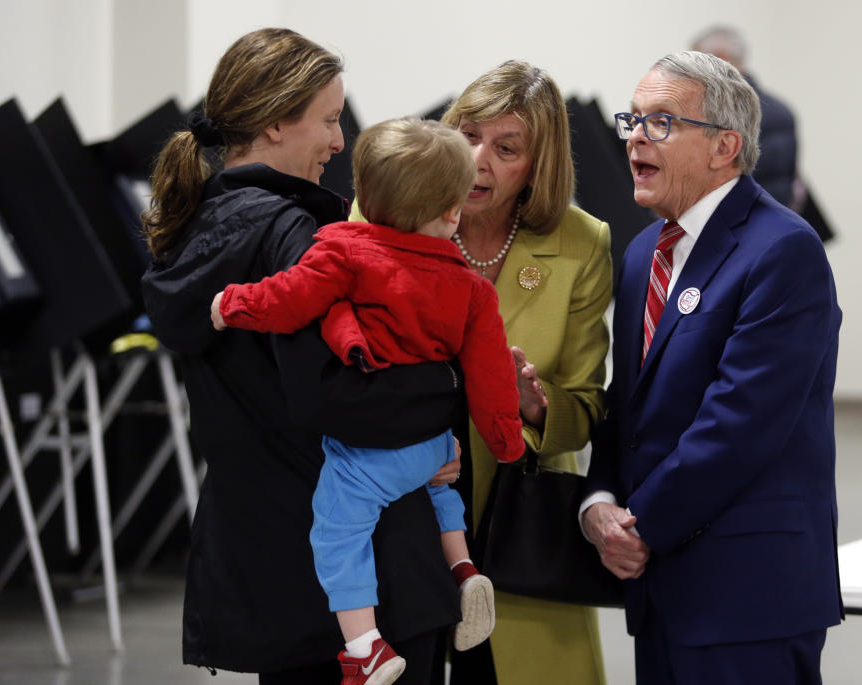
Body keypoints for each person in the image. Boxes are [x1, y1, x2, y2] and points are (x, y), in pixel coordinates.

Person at [140, 28, 468, 685]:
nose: (340, 141)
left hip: (276, 569)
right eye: (328, 120)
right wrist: (446, 406)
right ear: (274, 124)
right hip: (369, 580)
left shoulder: (195, 229)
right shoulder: (298, 236)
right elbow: (336, 392)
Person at [209, 117, 528, 682]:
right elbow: (491, 372)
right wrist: (505, 440)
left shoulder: (344, 253)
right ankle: (461, 566)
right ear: (453, 212)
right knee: (438, 488)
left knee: (337, 529)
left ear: (363, 195)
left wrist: (234, 305)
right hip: (433, 445)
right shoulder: (472, 287)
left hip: (372, 455)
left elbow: (288, 300)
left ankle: (364, 648)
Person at [583, 51, 843, 683]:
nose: (635, 137)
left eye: (662, 123)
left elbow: (739, 423)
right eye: (633, 120)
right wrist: (598, 500)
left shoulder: (783, 250)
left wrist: (640, 528)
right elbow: (633, 401)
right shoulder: (646, 250)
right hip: (661, 583)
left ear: (725, 146)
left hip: (748, 591)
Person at [419, 60, 614, 685]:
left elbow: (584, 406)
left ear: (538, 165)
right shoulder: (390, 209)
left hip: (518, 505)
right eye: (469, 135)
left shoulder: (582, 243)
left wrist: (536, 406)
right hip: (406, 492)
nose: (478, 160)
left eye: (506, 148)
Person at [691, 25, 799, 209]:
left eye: (696, 62)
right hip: (773, 221)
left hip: (734, 222)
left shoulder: (724, 111)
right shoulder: (781, 109)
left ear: (721, 57)